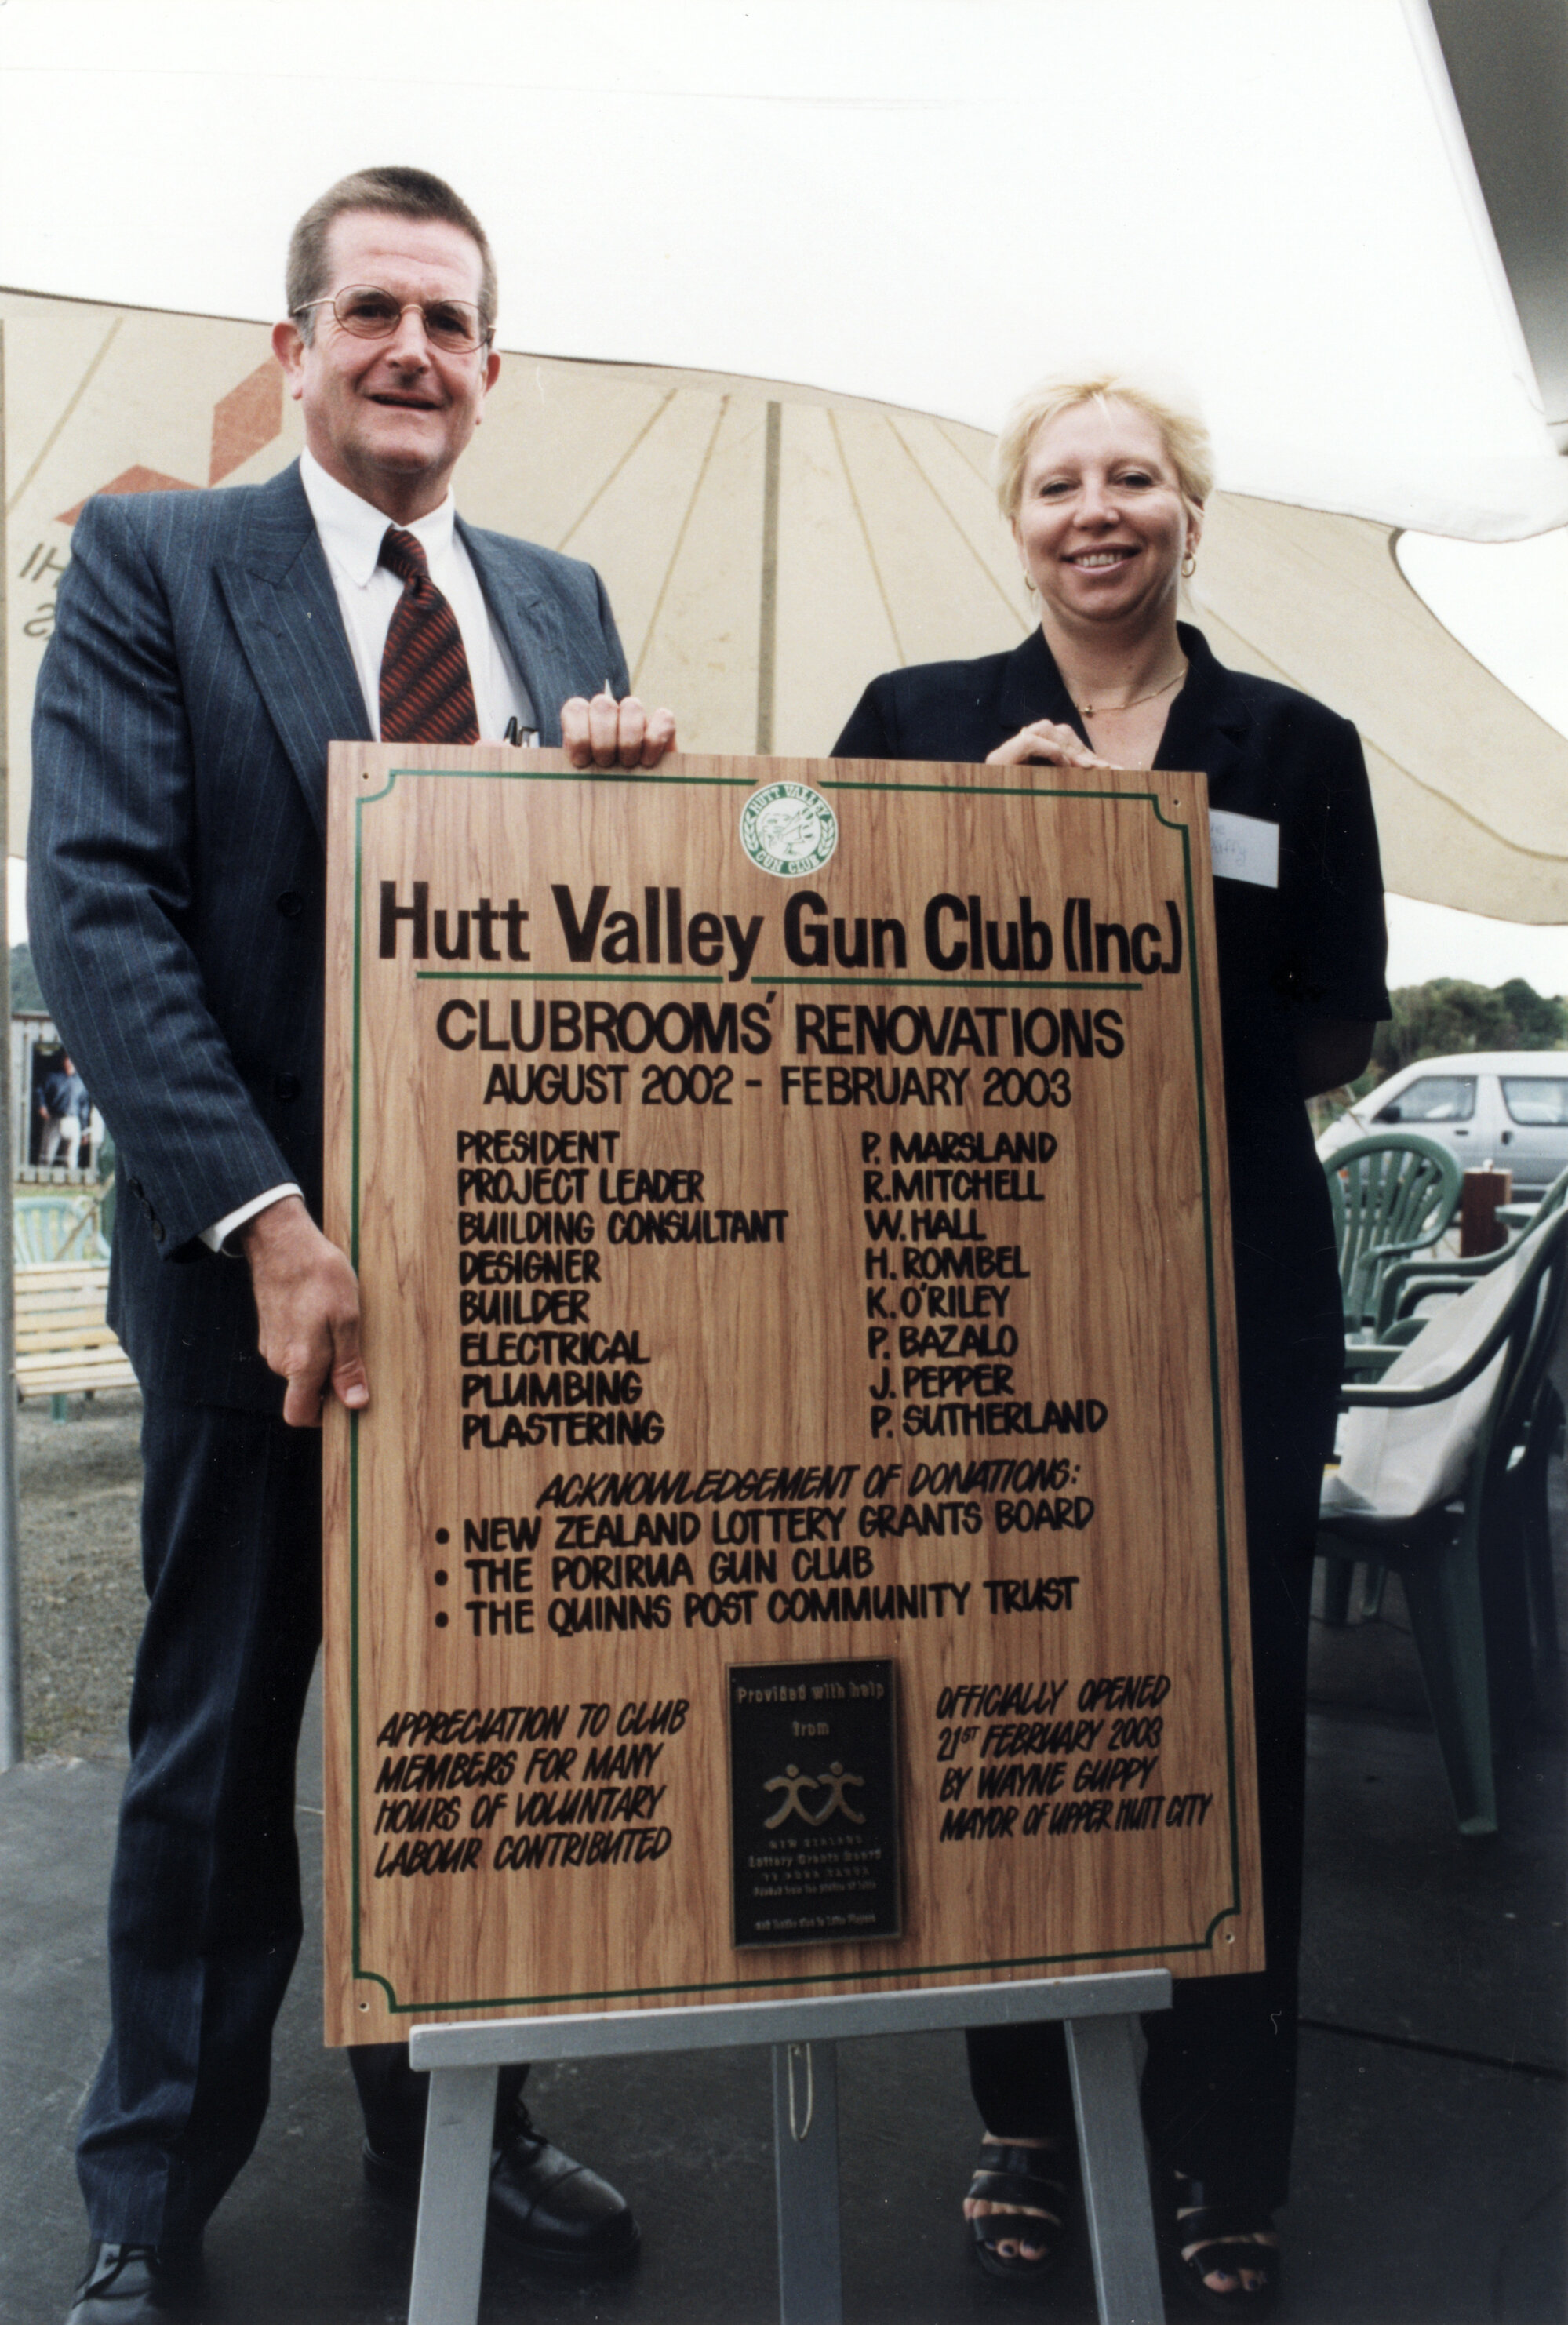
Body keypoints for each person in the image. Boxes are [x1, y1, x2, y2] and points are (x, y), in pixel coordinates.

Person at [30, 166, 677, 2325]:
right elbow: (99, 908)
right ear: (294, 346)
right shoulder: (155, 560)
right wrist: (268, 1220)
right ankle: (151, 2184)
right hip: (256, 1286)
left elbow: (607, 938)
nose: (413, 349)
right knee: (218, 1751)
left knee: (480, 1747)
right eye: (373, 311)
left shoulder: (565, 606)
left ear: (491, 368)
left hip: (516, 1294)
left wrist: (627, 790)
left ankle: (466, 2127)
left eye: (448, 320)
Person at [833, 372, 1388, 2317]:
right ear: (1017, 521)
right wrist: (960, 861)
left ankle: (1225, 2146)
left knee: (1232, 1714)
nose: (1096, 508)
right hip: (978, 1273)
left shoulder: (1295, 746)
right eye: (1058, 481)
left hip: (1227, 1279)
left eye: (1133, 477)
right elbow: (790, 918)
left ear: (1188, 516)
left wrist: (1133, 880)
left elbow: (1335, 1027)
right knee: (998, 1693)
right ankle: (1026, 2118)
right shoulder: (912, 719)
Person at [38, 1055, 92, 1168]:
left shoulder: (81, 1082)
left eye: (72, 1062)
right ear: (63, 1062)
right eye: (68, 1062)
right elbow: (40, 1091)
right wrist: (42, 1106)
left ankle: (70, 1177)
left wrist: (84, 1131)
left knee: (71, 1158)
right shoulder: (53, 1077)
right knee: (47, 1155)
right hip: (55, 1119)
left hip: (73, 1120)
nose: (70, 1065)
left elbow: (84, 1107)